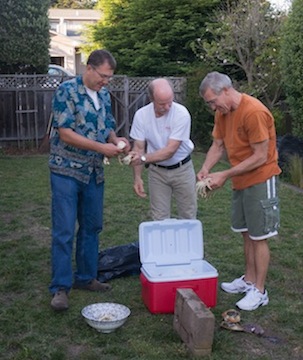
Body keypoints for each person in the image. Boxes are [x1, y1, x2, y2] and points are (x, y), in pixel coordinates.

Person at [48, 49, 130, 311]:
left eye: (109, 77)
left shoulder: (103, 95)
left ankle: (86, 277)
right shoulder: (67, 91)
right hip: (66, 171)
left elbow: (106, 126)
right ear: (89, 69)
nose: (106, 81)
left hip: (94, 172)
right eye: (103, 76)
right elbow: (65, 134)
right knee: (63, 230)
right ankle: (60, 287)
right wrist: (101, 148)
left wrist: (115, 141)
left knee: (92, 227)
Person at [197, 71, 281, 311]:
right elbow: (217, 144)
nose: (212, 106)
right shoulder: (223, 113)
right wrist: (206, 168)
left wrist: (224, 174)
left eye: (213, 100)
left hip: (261, 178)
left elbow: (260, 156)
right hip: (240, 179)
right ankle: (249, 280)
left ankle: (260, 291)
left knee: (259, 236)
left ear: (226, 90)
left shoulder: (253, 111)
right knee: (246, 232)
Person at [129, 78, 197, 220]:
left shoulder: (181, 114)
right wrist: (137, 177)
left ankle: (186, 242)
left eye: (170, 102)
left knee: (188, 215)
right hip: (157, 172)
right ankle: (164, 242)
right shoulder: (141, 116)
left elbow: (170, 151)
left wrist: (143, 159)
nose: (167, 107)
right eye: (162, 104)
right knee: (159, 217)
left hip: (182, 170)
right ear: (151, 99)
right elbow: (139, 148)